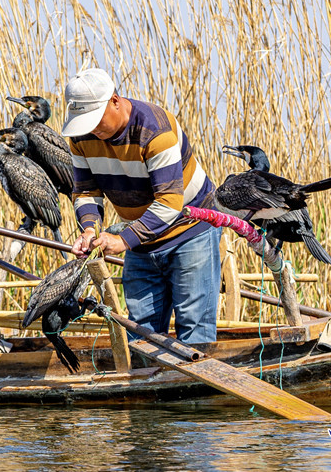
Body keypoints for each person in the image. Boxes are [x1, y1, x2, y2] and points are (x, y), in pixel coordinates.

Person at [62, 68, 221, 344]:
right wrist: (89, 229)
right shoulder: (81, 137)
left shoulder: (153, 129)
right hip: (142, 239)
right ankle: (150, 385)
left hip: (190, 231)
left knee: (194, 331)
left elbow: (170, 203)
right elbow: (86, 191)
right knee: (142, 332)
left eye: (96, 120)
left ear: (114, 100)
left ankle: (199, 386)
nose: (92, 130)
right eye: (85, 123)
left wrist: (123, 240)